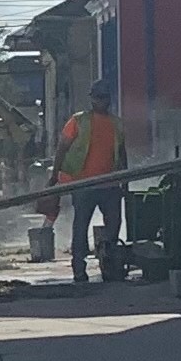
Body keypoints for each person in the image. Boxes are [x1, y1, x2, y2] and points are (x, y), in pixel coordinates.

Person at [53, 81, 126, 284]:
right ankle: (79, 268)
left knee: (114, 225)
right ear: (92, 99)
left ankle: (108, 262)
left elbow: (121, 153)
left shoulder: (116, 123)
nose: (101, 101)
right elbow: (62, 148)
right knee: (81, 226)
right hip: (83, 183)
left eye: (104, 97)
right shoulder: (78, 121)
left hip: (109, 183)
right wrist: (54, 174)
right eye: (98, 97)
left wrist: (125, 180)